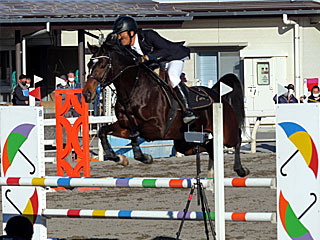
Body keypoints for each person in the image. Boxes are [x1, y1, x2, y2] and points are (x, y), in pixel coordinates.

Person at [112, 16, 198, 124]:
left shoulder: (149, 35)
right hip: (160, 63)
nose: (119, 37)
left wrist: (148, 57)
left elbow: (166, 50)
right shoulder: (128, 48)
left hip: (173, 57)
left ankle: (188, 111)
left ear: (132, 33)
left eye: (121, 33)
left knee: (173, 76)